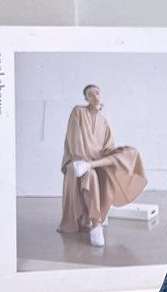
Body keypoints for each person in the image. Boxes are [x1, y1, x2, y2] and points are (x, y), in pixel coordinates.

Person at [57, 84, 147, 246]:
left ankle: (91, 165)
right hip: (77, 162)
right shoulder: (78, 112)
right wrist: (83, 160)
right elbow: (74, 140)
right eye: (90, 94)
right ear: (86, 99)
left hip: (95, 162)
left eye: (97, 93)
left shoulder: (103, 121)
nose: (95, 96)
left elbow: (108, 148)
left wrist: (110, 157)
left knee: (130, 152)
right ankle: (96, 224)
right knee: (89, 176)